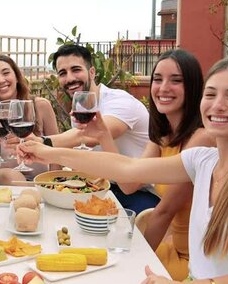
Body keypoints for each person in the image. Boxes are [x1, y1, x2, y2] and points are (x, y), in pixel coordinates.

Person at [19, 58, 228, 284]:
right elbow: (127, 169)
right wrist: (46, 151)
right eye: (211, 95)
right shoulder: (203, 160)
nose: (218, 105)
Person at [87, 49, 215, 281]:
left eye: (176, 80)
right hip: (173, 249)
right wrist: (104, 135)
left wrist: (134, 262)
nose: (163, 87)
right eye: (157, 79)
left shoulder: (202, 139)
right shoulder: (164, 136)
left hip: (196, 267)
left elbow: (164, 211)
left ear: (194, 87)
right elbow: (128, 183)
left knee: (115, 278)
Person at [33, 44, 158, 214]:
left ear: (92, 72)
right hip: (106, 187)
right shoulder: (81, 107)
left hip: (141, 194)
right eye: (63, 73)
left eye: (76, 70)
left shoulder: (119, 101)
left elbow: (91, 136)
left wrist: (42, 143)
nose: (69, 78)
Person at [0, 54, 59, 184]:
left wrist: (54, 184)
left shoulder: (40, 106)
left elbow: (56, 151)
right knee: (13, 177)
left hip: (38, 182)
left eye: (6, 73)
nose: (1, 80)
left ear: (17, 77)